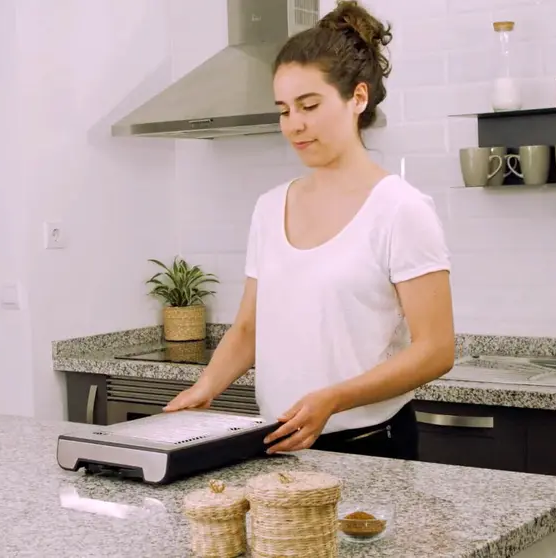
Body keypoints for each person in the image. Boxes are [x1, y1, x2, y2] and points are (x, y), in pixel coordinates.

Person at [163, 0, 455, 460]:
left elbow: (436, 350)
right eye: (283, 110)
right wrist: (203, 390)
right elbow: (247, 329)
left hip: (370, 443)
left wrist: (333, 398)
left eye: (309, 105)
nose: (294, 125)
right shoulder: (269, 207)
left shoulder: (401, 209)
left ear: (357, 98)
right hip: (279, 443)